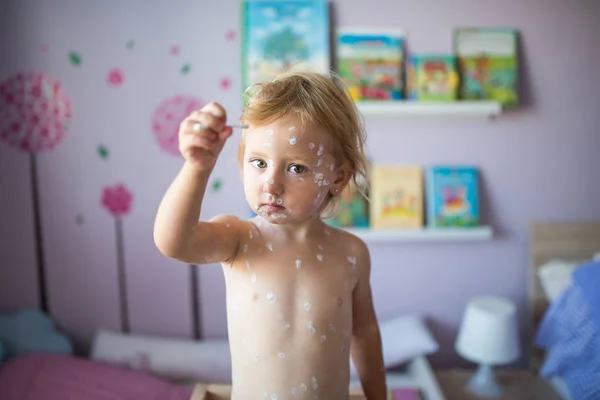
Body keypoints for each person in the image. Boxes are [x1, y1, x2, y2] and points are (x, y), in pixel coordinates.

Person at [154, 70, 386, 399]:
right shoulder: (238, 240)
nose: (272, 185)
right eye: (259, 163)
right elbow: (173, 242)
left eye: (296, 168)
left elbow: (364, 330)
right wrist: (197, 167)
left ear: (338, 178)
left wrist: (379, 396)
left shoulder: (352, 253)